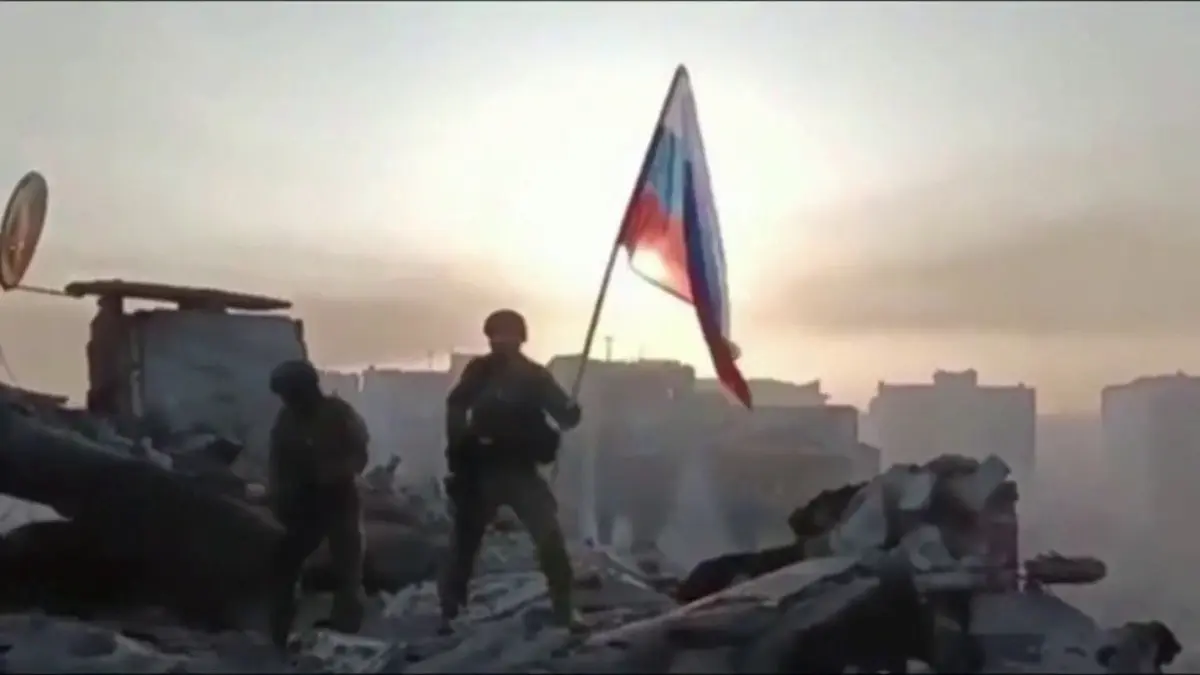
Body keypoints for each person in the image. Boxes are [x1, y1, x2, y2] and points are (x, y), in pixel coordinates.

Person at [438, 309, 583, 632]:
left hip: (520, 469)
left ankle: (564, 608)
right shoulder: (481, 371)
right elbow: (456, 406)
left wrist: (571, 412)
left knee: (549, 539)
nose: (503, 342)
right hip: (483, 470)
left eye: (508, 336)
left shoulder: (534, 376)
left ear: (520, 338)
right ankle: (451, 610)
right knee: (465, 544)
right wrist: (459, 451)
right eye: (498, 336)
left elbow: (563, 415)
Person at [266, 359, 370, 649]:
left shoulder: (337, 414)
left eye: (291, 392)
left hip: (338, 496)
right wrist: (280, 496)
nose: (289, 399)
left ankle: (346, 628)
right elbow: (278, 461)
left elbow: (359, 452)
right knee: (285, 566)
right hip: (302, 502)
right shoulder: (287, 420)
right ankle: (280, 631)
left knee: (347, 566)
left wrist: (336, 471)